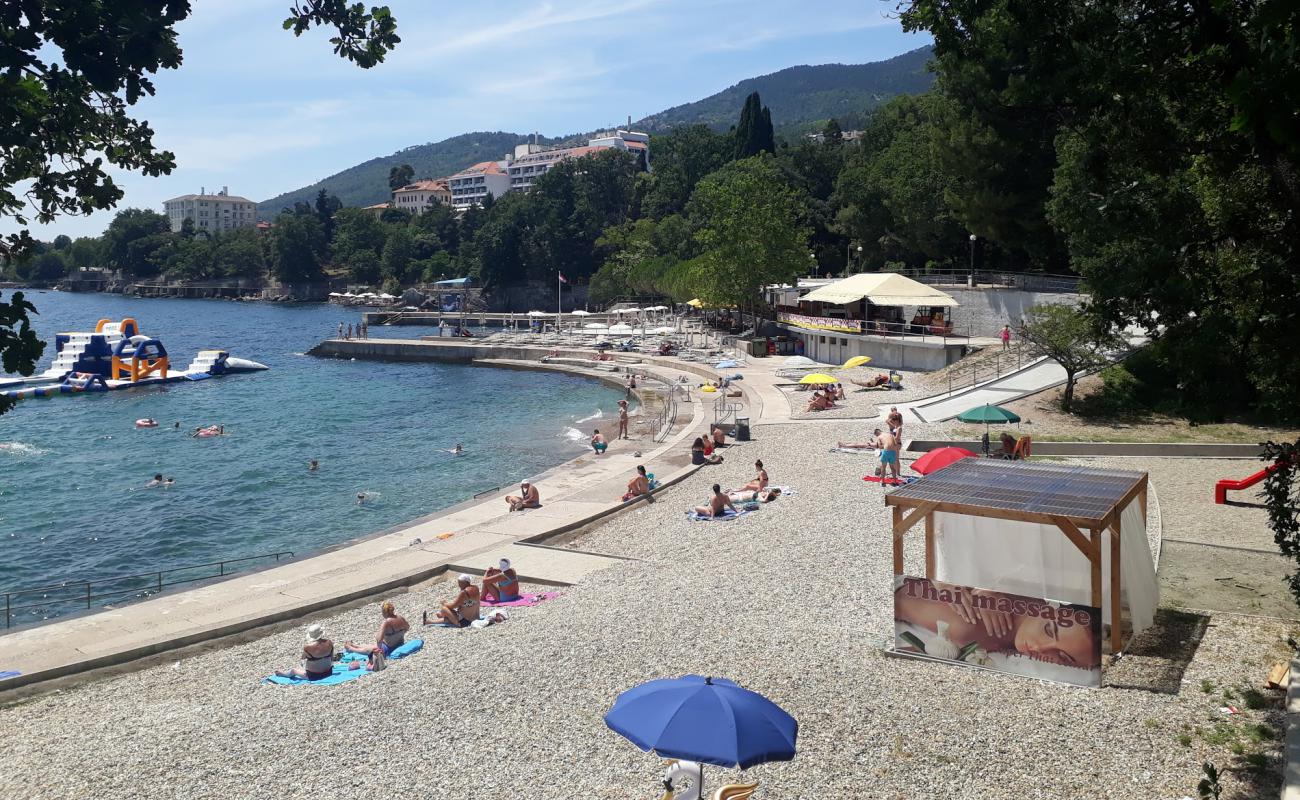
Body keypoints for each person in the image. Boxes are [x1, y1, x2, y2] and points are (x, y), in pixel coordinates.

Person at [895, 582, 1101, 670]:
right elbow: (897, 599)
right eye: (1048, 630)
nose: (1039, 648)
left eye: (1063, 657)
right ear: (1055, 607)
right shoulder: (969, 625)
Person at [344, 600, 409, 658]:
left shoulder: (386, 623)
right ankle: (354, 645)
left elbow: (379, 639)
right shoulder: (400, 618)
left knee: (369, 650)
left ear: (385, 612)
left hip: (388, 649)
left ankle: (351, 648)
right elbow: (407, 627)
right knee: (369, 645)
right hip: (399, 644)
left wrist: (378, 650)